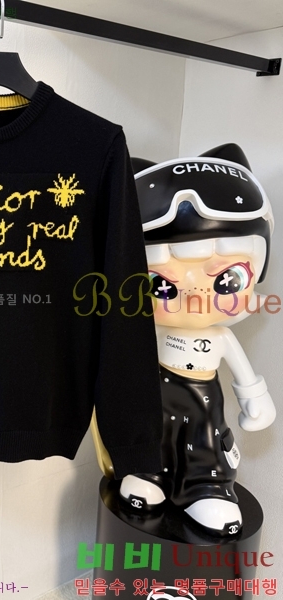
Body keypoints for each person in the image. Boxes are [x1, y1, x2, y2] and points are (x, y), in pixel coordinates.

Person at [101, 143, 276, 536]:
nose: (195, 297)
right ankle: (148, 475)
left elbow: (244, 374)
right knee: (150, 437)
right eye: (161, 284)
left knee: (204, 444)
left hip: (203, 403)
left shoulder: (221, 337)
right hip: (155, 396)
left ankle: (206, 488)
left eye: (226, 279)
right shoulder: (150, 330)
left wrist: (255, 399)